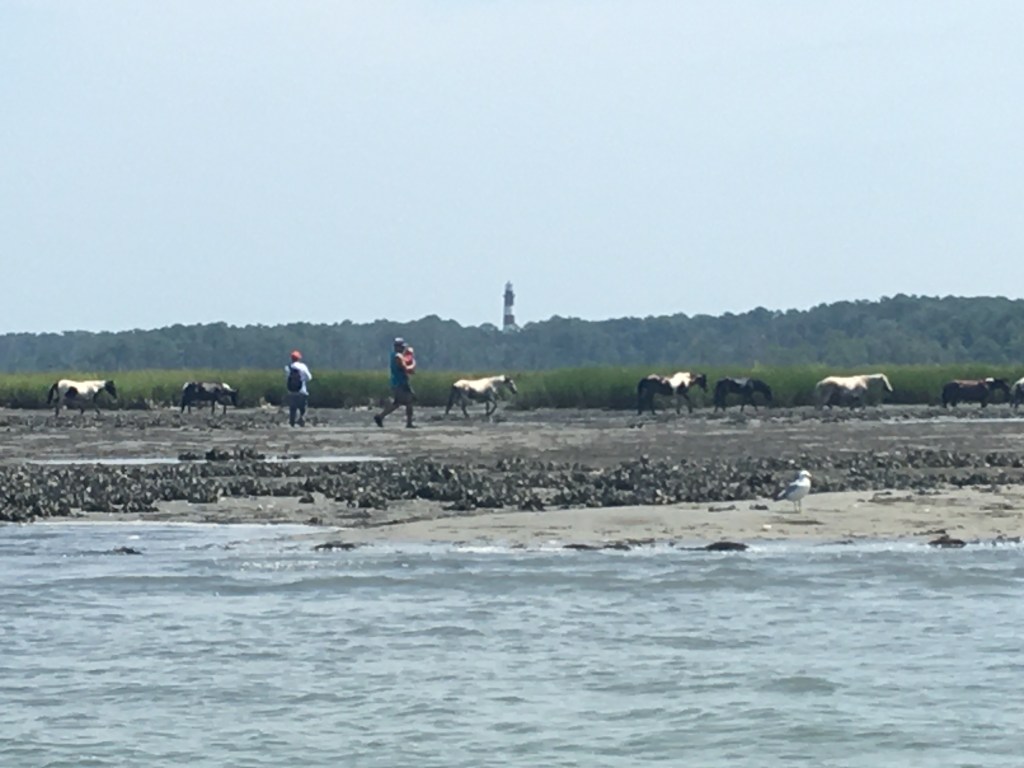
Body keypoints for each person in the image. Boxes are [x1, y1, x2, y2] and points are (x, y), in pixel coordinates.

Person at [374, 337, 415, 428]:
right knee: (408, 401)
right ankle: (409, 423)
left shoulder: (397, 356)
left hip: (399, 382)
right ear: (397, 347)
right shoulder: (397, 357)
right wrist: (412, 365)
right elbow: (404, 368)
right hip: (400, 383)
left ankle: (380, 417)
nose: (403, 348)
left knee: (398, 403)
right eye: (402, 347)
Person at [284, 350, 312, 427]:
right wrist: (303, 380)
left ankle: (292, 423)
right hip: (302, 391)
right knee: (303, 408)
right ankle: (302, 420)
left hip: (292, 391)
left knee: (293, 408)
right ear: (299, 358)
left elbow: (286, 378)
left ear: (291, 358)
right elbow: (309, 377)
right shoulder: (303, 366)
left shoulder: (287, 367)